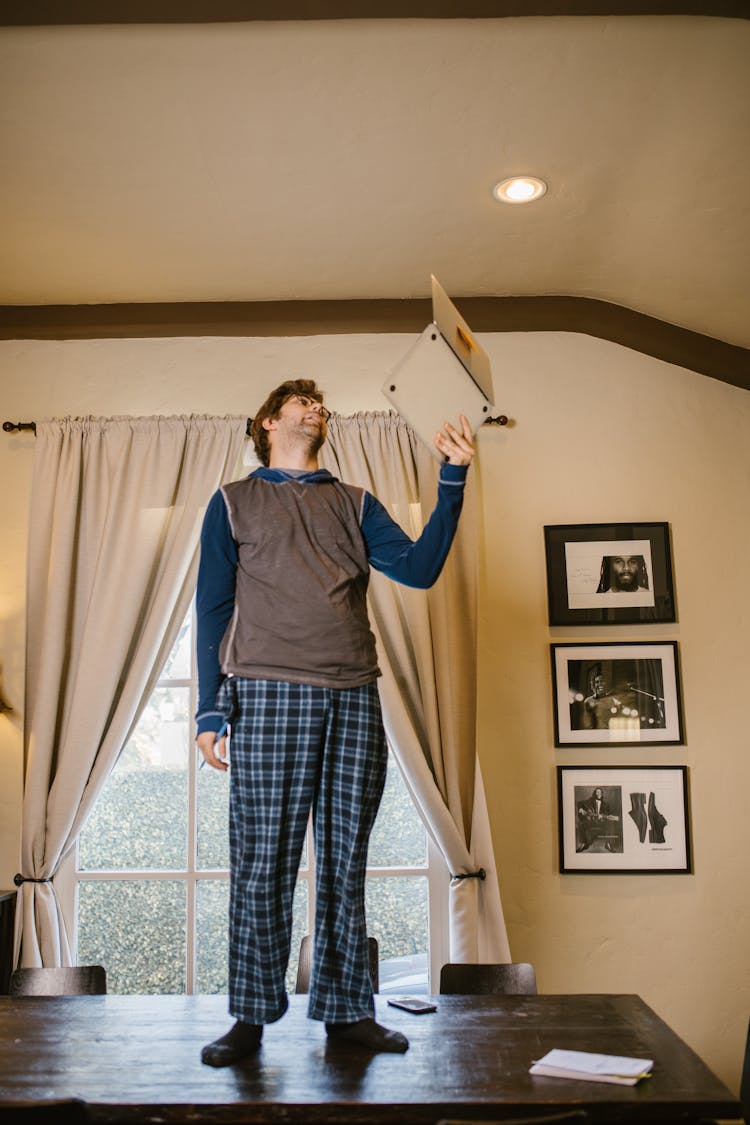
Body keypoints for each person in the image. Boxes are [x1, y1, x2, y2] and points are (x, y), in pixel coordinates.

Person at [195, 379, 474, 1067]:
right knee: (264, 864)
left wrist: (453, 478)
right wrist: (210, 708)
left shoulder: (353, 502)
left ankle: (348, 1014)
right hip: (266, 694)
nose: (315, 407)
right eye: (300, 400)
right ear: (267, 421)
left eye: (320, 401)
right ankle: (251, 1018)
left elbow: (419, 565)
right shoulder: (232, 501)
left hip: (352, 695)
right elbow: (211, 609)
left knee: (345, 863)